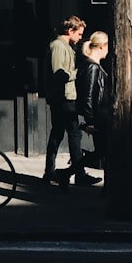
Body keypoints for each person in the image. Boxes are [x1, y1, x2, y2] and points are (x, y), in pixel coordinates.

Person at [43, 15, 100, 187]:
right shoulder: (59, 47)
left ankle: (51, 171)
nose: (81, 37)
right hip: (63, 98)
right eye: (79, 33)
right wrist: (78, 72)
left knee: (58, 134)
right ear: (70, 31)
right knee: (73, 135)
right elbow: (59, 74)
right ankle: (77, 173)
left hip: (63, 97)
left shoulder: (64, 46)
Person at [76, 31, 112, 174]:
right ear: (103, 46)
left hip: (99, 115)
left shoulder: (89, 64)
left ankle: (66, 173)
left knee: (103, 151)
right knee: (104, 151)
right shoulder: (93, 67)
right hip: (99, 116)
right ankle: (66, 172)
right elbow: (89, 96)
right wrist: (90, 121)